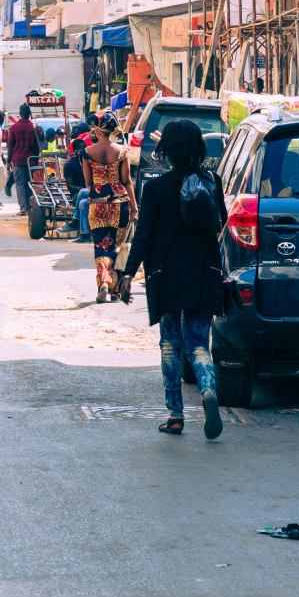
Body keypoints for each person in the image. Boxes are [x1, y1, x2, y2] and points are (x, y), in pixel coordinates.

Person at [120, 119, 226, 440]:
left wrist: (127, 274)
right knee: (198, 344)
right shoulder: (212, 181)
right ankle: (208, 391)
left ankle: (176, 415)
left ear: (166, 148)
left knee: (170, 345)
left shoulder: (154, 188)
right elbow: (219, 223)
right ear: (198, 147)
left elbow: (144, 236)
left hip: (166, 275)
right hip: (203, 271)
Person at [82, 113, 136, 301]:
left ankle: (104, 283)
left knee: (100, 245)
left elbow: (88, 183)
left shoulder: (87, 152)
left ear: (96, 129)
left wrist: (98, 189)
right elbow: (127, 181)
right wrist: (135, 209)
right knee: (115, 245)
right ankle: (112, 287)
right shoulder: (122, 151)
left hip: (96, 204)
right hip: (119, 204)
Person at [6, 103, 41, 215]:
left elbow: (10, 146)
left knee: (20, 184)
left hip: (18, 160)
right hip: (31, 160)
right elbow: (38, 145)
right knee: (29, 184)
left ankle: (23, 208)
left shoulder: (14, 128)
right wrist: (36, 159)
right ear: (29, 114)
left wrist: (8, 161)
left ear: (20, 114)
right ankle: (31, 208)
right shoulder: (35, 128)